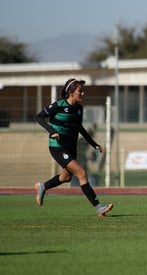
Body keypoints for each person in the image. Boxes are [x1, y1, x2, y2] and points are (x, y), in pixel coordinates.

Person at [34, 78, 113, 217]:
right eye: (80, 91)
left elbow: (79, 128)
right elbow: (39, 117)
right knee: (82, 173)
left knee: (66, 177)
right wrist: (52, 131)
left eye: (83, 91)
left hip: (71, 147)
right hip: (57, 147)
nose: (82, 94)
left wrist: (94, 144)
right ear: (71, 92)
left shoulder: (79, 109)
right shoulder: (58, 106)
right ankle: (99, 207)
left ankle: (43, 186)